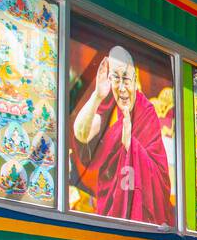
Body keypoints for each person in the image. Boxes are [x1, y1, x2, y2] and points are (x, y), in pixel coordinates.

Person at [72, 45, 174, 225]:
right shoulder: (108, 107)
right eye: (115, 78)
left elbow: (161, 179)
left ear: (135, 79)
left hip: (139, 219)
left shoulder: (146, 113)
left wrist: (130, 144)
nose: (121, 88)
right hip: (108, 208)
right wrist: (97, 96)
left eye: (125, 78)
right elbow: (81, 132)